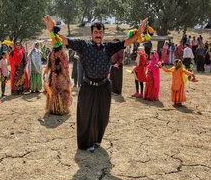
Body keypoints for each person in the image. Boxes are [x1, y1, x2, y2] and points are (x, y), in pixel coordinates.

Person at [43, 15, 147, 152]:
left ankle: (97, 140)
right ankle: (87, 144)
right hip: (88, 86)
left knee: (102, 115)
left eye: (100, 32)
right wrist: (53, 31)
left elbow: (126, 42)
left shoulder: (109, 47)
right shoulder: (83, 45)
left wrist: (139, 33)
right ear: (91, 33)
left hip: (104, 87)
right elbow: (66, 40)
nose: (98, 35)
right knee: (85, 115)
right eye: (96, 32)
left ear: (103, 33)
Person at [44, 38, 72, 115]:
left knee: (54, 91)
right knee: (62, 92)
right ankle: (62, 108)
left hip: (53, 76)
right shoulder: (63, 54)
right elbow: (65, 66)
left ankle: (54, 109)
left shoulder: (51, 53)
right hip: (62, 77)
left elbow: (48, 66)